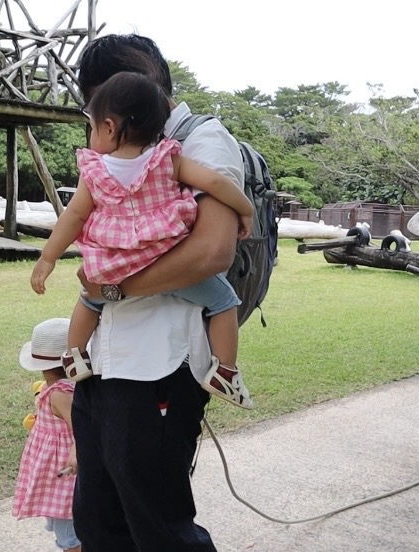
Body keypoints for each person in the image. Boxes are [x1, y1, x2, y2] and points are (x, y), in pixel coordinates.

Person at [67, 33, 243, 552]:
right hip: (104, 365)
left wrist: (112, 286)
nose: (97, 124)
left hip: (160, 367)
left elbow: (213, 250)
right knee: (96, 515)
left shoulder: (201, 140)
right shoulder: (118, 157)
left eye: (97, 109)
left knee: (158, 517)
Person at [29, 71, 255, 410]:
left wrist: (48, 258)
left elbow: (73, 217)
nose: (91, 134)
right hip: (166, 261)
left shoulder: (94, 172)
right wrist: (246, 210)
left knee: (90, 300)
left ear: (108, 126)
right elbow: (217, 184)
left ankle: (74, 356)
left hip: (115, 265)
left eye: (90, 126)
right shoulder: (168, 160)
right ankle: (225, 370)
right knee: (223, 301)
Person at [14, 318, 92, 552]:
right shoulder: (62, 389)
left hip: (63, 476)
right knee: (65, 526)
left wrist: (75, 453)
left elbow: (80, 427)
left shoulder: (60, 394)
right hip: (58, 473)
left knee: (68, 531)